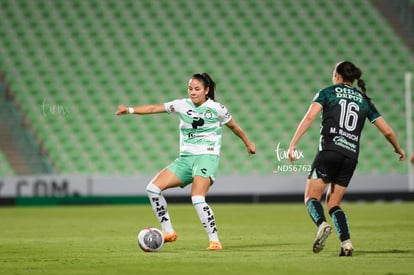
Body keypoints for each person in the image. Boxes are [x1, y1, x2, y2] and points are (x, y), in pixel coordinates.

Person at [116, 73, 256, 250]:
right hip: (185, 159)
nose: (193, 92)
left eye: (197, 89)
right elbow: (154, 108)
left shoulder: (217, 108)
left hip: (207, 157)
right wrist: (129, 110)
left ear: (206, 90)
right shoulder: (182, 105)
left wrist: (248, 143)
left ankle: (215, 241)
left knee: (197, 197)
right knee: (152, 189)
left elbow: (234, 127)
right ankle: (168, 232)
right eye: (190, 88)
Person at [288, 61, 406, 256]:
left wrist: (293, 143)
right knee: (334, 203)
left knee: (311, 197)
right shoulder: (364, 99)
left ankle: (322, 224)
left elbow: (309, 117)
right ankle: (347, 244)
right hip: (351, 156)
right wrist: (398, 148)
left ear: (337, 76)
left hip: (330, 151)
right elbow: (387, 130)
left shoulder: (328, 92)